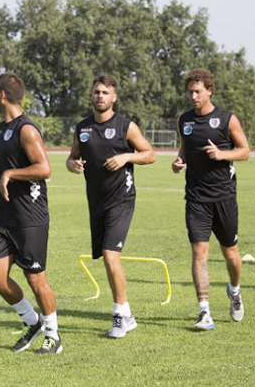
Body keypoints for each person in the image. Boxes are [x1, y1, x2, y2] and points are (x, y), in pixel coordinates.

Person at [0, 73, 62, 354]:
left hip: (30, 217)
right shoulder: (2, 129)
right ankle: (32, 321)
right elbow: (11, 162)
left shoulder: (27, 129)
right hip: (4, 217)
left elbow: (44, 168)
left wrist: (10, 174)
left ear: (2, 95)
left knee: (35, 278)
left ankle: (53, 336)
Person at [66, 74, 155, 338]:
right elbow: (73, 157)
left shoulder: (126, 126)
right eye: (96, 92)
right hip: (97, 202)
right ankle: (127, 313)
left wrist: (127, 156)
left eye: (105, 92)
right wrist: (72, 164)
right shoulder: (82, 128)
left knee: (110, 255)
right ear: (91, 96)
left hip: (122, 199)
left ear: (114, 97)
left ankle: (119, 316)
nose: (100, 96)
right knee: (106, 258)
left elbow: (149, 154)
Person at [172, 68, 249, 331]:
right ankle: (204, 312)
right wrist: (179, 160)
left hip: (224, 197)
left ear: (209, 91)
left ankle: (235, 290)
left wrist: (222, 155)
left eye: (197, 91)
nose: (193, 96)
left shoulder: (228, 119)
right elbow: (185, 145)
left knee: (231, 255)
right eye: (190, 92)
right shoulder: (184, 120)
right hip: (196, 198)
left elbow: (244, 151)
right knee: (199, 253)